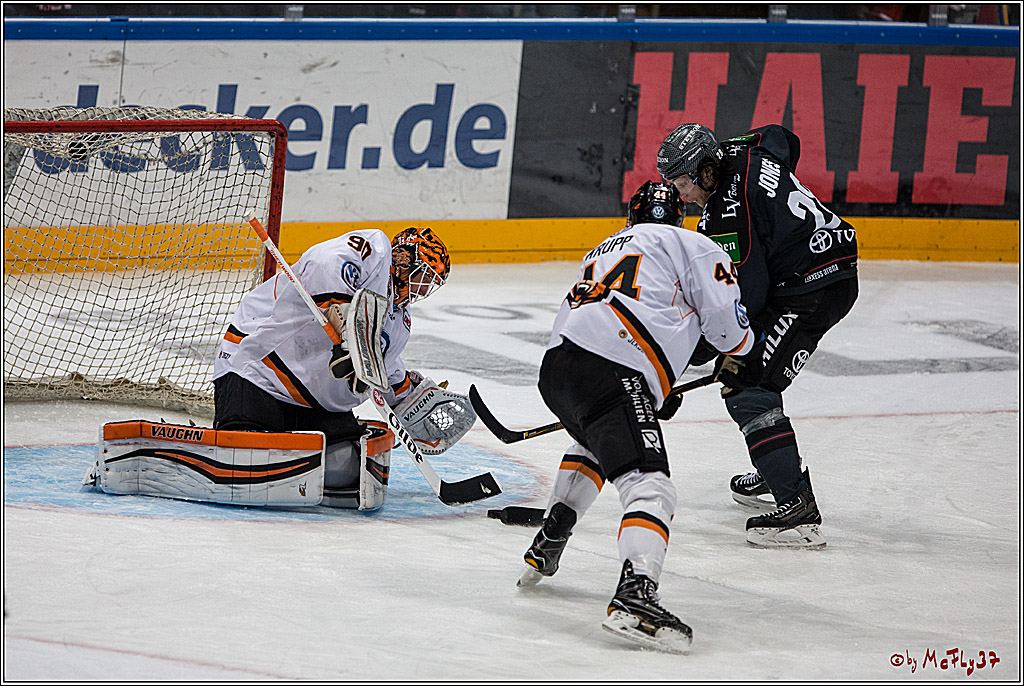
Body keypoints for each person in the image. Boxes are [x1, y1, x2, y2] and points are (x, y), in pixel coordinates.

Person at [518, 180, 757, 654]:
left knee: (594, 442)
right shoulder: (691, 244)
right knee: (651, 486)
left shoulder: (604, 248)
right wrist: (742, 351)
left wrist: (654, 384)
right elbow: (729, 331)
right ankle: (635, 596)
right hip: (612, 367)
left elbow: (637, 312)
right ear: (679, 217)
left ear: (633, 215)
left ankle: (551, 535)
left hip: (559, 368)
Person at [657, 123, 859, 549]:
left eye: (681, 182)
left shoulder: (728, 217)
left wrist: (690, 362)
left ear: (704, 170)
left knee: (748, 386)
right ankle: (776, 466)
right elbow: (782, 137)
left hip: (813, 289)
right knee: (750, 372)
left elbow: (741, 304)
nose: (680, 195)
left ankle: (797, 507)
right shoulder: (740, 148)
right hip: (821, 264)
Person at [212, 226, 452, 509]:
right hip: (259, 374)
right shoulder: (376, 252)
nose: (423, 288)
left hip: (314, 404)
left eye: (430, 283)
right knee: (246, 458)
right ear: (403, 259)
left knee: (350, 470)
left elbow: (385, 372)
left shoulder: (400, 323)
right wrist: (345, 318)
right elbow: (326, 262)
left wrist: (415, 400)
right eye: (422, 276)